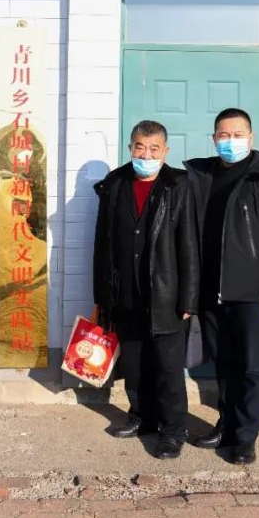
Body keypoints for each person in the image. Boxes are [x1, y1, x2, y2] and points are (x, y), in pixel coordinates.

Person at [184, 108, 259, 465]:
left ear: (250, 138)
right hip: (211, 291)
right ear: (213, 138)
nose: (230, 141)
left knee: (252, 368)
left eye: (237, 135)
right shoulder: (201, 175)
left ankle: (245, 437)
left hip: (253, 294)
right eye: (223, 135)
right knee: (225, 365)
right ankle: (227, 424)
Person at [93, 120, 199, 460]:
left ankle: (173, 430)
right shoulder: (115, 183)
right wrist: (103, 296)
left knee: (168, 369)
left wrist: (189, 297)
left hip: (167, 295)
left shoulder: (179, 185)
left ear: (165, 151)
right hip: (126, 294)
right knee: (135, 365)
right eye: (140, 147)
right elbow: (103, 244)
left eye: (154, 149)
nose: (146, 155)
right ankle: (142, 417)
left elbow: (189, 245)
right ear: (130, 148)